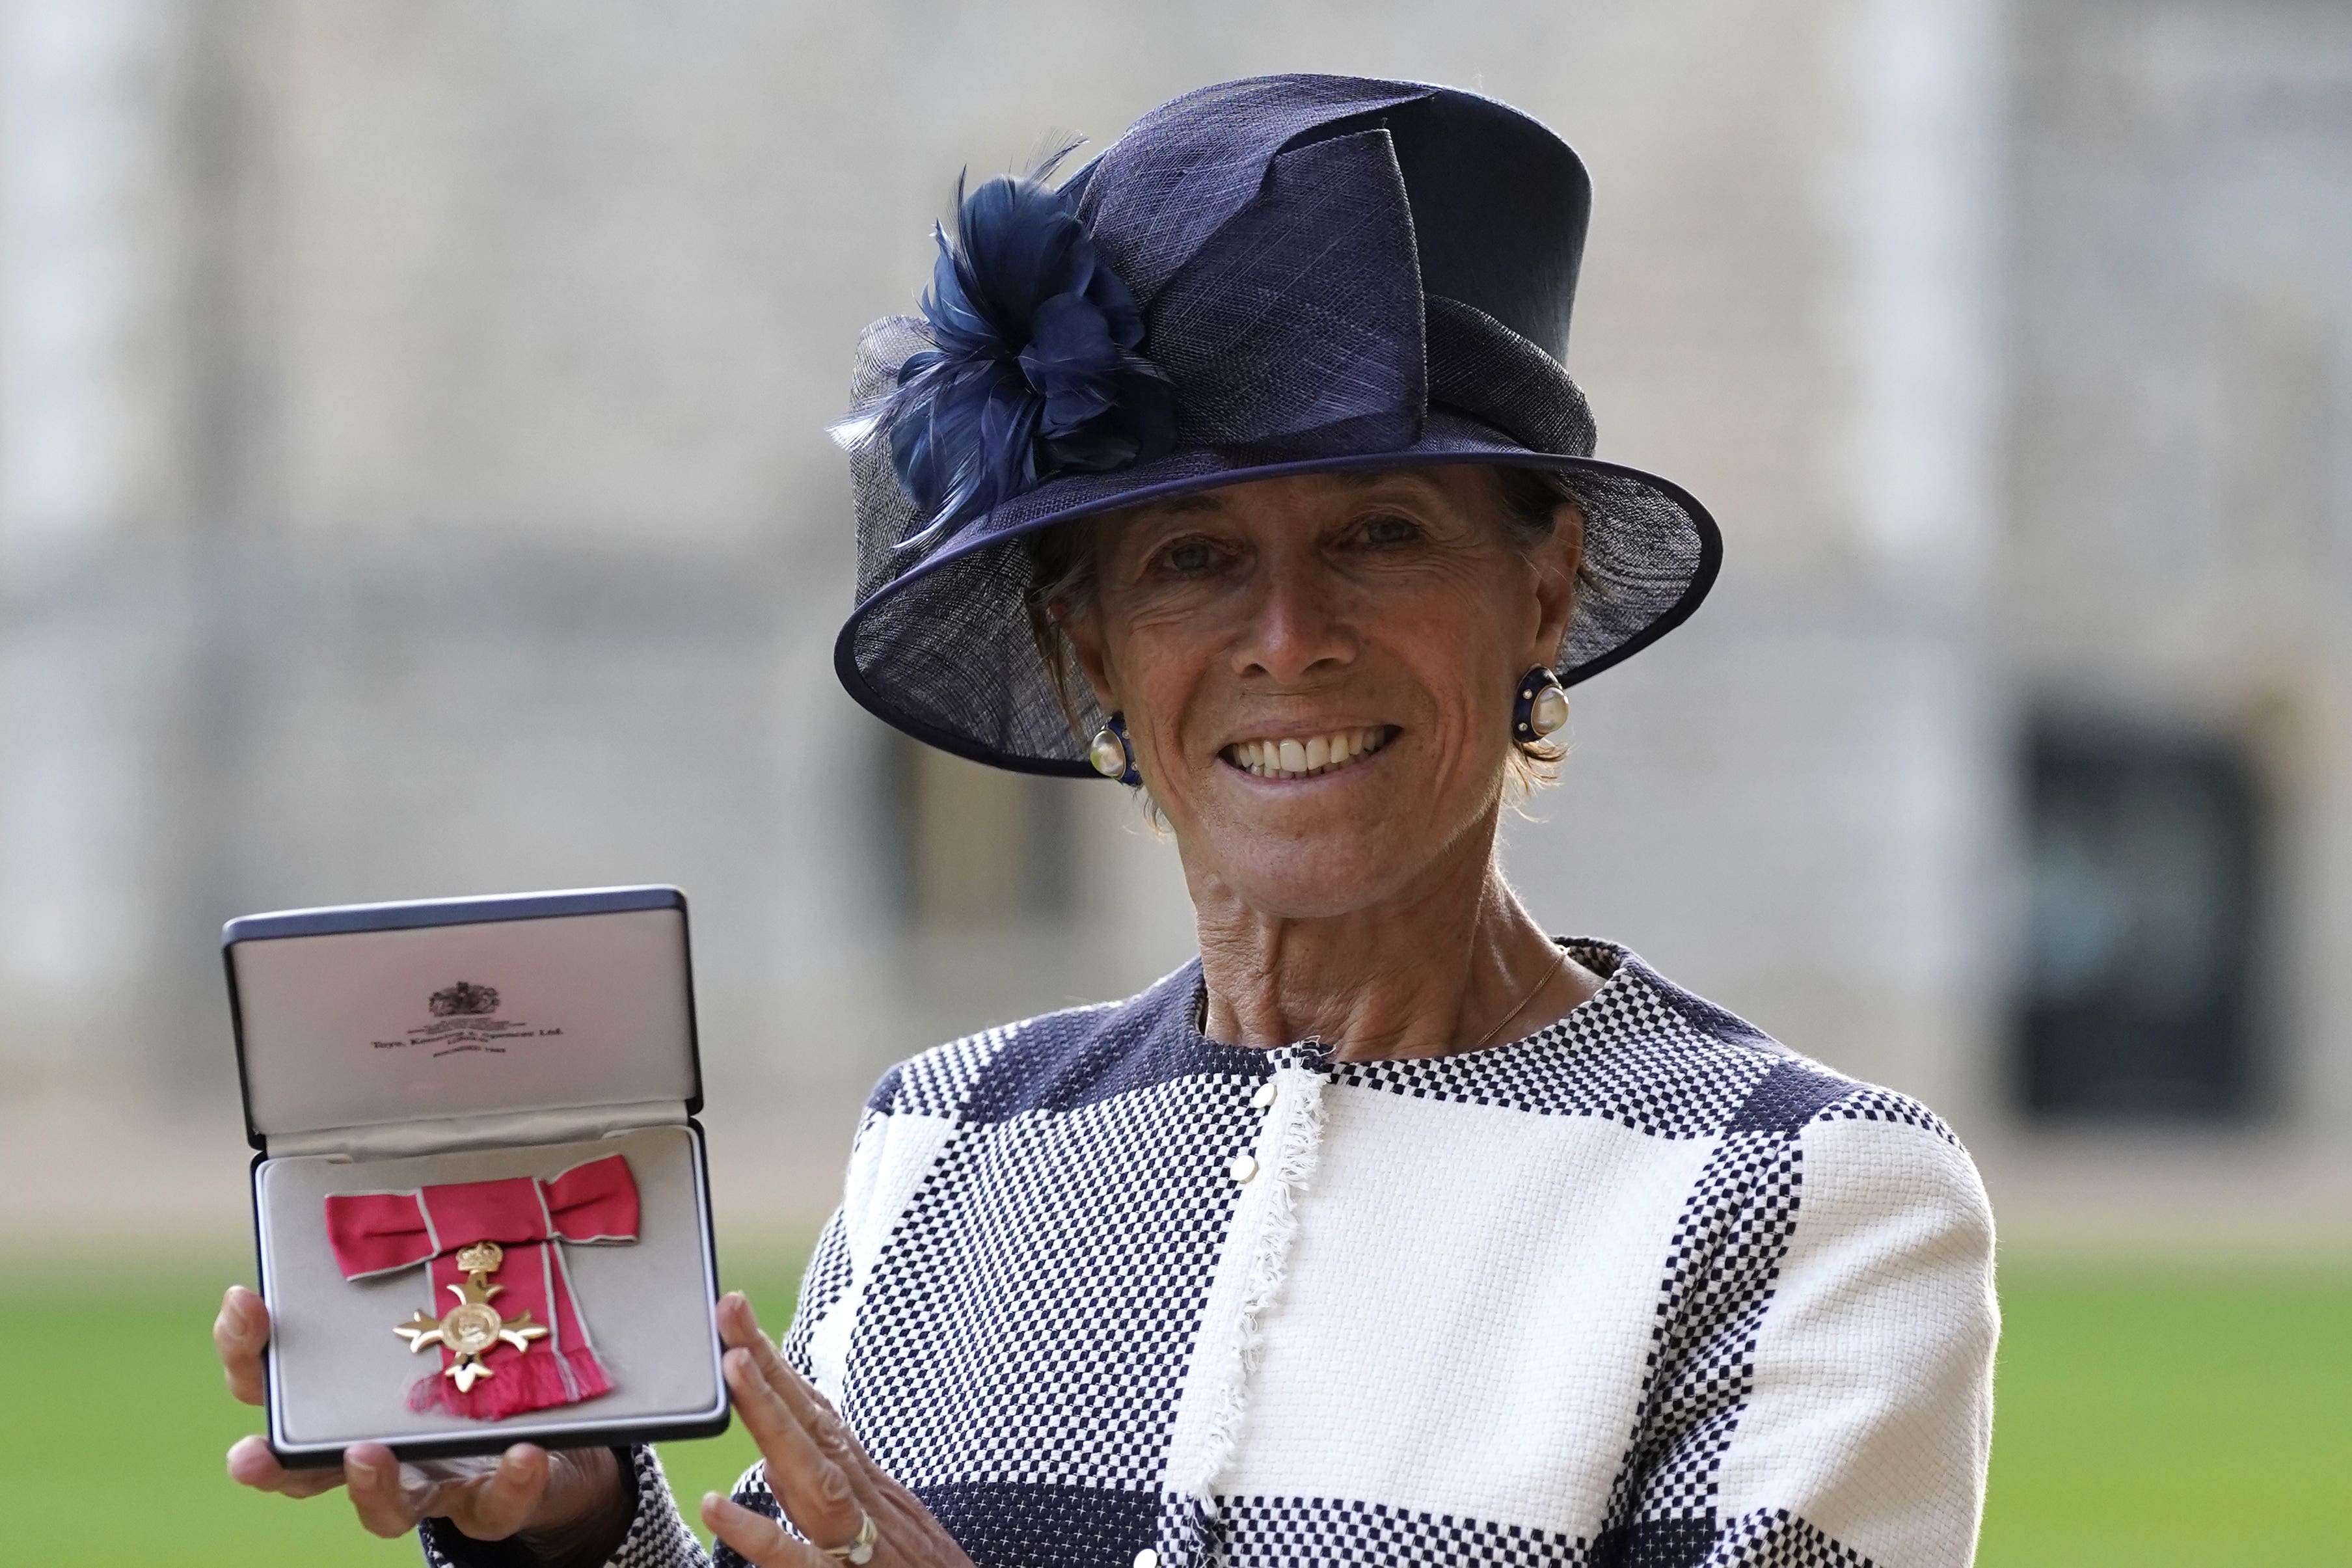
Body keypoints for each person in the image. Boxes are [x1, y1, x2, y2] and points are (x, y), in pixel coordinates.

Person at [215, 74, 1997, 1568]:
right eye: (1194, 560)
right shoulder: (952, 1133)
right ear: (1090, 647)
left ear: (1541, 589)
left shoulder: (1810, 1199)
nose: (1288, 640)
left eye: (1379, 533)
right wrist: (569, 1518)